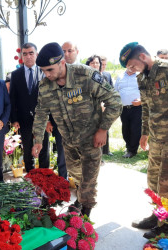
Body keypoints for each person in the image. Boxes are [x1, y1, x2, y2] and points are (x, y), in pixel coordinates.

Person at [32, 42, 122, 217]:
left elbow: (115, 101)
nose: (46, 74)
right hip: (69, 141)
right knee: (76, 174)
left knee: (89, 180)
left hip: (91, 139)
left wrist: (103, 129)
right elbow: (41, 113)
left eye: (49, 70)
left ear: (62, 62)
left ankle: (85, 215)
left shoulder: (86, 76)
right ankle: (82, 198)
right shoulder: (44, 85)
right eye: (43, 70)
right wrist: (37, 140)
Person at [119, 42, 168, 238]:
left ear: (142, 57)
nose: (131, 70)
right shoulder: (142, 78)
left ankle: (165, 224)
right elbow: (146, 107)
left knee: (166, 182)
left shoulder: (165, 70)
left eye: (131, 66)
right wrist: (145, 132)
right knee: (153, 180)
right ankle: (157, 216)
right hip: (156, 137)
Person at [9, 42, 50, 173]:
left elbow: (50, 97)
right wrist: (14, 120)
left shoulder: (44, 72)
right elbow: (12, 98)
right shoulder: (15, 75)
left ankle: (45, 176)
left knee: (44, 147)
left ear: (36, 54)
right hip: (24, 118)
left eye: (31, 53)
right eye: (25, 54)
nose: (28, 56)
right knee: (27, 148)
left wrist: (49, 119)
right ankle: (31, 176)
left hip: (42, 118)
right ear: (22, 56)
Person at [114, 69, 141, 158]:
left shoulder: (140, 76)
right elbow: (115, 91)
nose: (132, 66)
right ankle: (129, 147)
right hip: (124, 108)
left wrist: (141, 101)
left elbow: (146, 91)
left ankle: (132, 150)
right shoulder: (120, 76)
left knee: (135, 129)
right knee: (125, 129)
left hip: (137, 108)